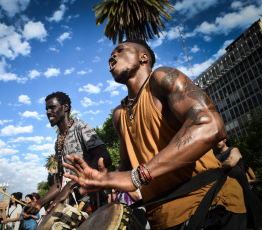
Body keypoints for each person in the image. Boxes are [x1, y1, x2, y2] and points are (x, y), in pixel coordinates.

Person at [63, 39, 248, 229]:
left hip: (210, 205)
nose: (113, 56)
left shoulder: (162, 78)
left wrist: (139, 176)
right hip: (162, 219)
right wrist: (104, 179)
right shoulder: (119, 114)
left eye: (120, 50)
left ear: (143, 57)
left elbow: (210, 125)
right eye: (111, 55)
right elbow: (128, 165)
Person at [27, 92, 112, 215]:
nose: (48, 112)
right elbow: (61, 181)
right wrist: (39, 203)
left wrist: (72, 184)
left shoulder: (80, 127)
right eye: (46, 109)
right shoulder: (58, 142)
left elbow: (104, 157)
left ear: (65, 107)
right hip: (71, 207)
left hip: (92, 204)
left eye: (52, 107)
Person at [216, 139, 262, 229]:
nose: (217, 142)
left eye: (219, 139)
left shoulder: (233, 149)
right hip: (231, 198)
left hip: (246, 194)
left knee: (258, 225)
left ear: (225, 140)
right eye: (215, 140)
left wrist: (216, 168)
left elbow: (231, 162)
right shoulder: (215, 157)